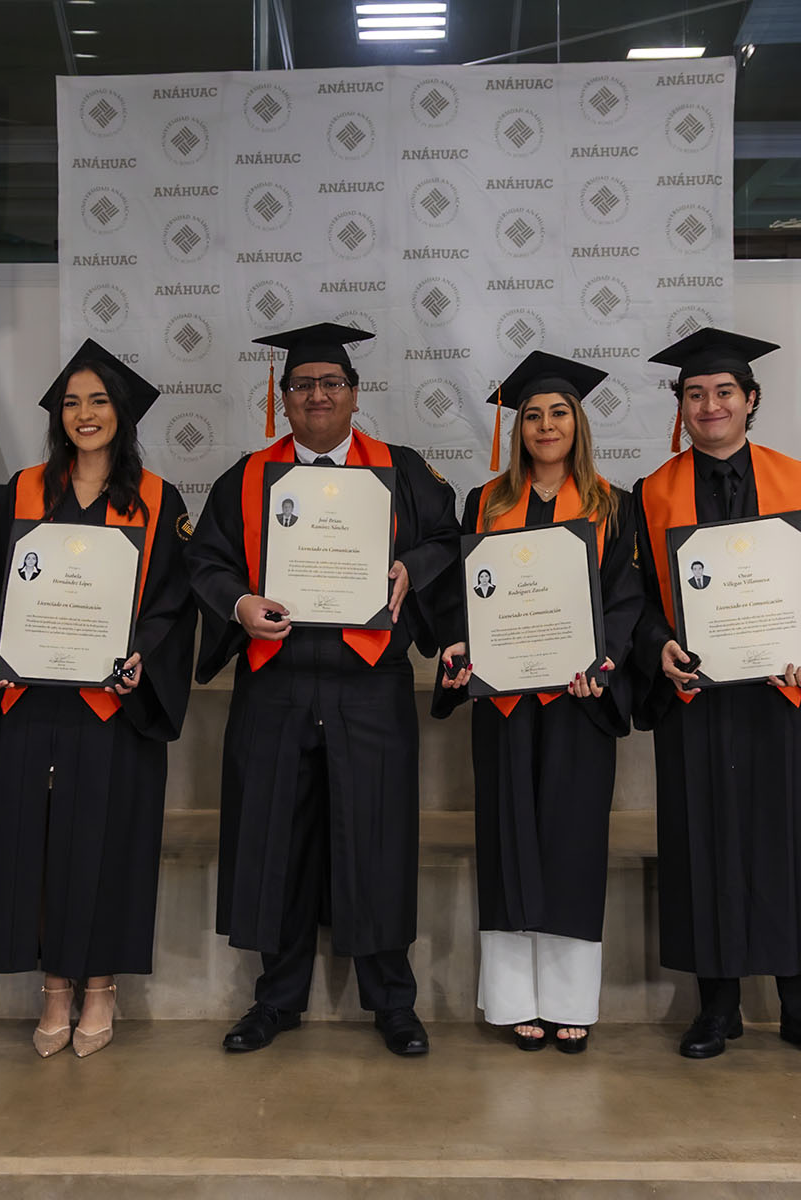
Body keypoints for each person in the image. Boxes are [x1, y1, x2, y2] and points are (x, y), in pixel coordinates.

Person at [185, 321, 461, 1058]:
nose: (317, 395)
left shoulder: (401, 470)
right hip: (275, 683)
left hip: (368, 684)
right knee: (276, 836)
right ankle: (276, 1000)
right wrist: (239, 604)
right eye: (303, 385)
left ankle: (392, 1002)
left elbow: (447, 540)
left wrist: (411, 569)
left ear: (355, 394)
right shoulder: (248, 476)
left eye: (331, 383)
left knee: (377, 839)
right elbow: (205, 560)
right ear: (283, 398)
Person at [630, 327, 801, 1069]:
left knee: (789, 843)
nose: (710, 405)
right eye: (695, 394)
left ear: (751, 399)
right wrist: (656, 647)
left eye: (724, 392)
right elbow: (633, 599)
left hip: (778, 698)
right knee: (702, 844)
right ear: (681, 405)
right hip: (697, 699)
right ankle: (717, 1007)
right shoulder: (650, 494)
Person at [0, 340, 195, 1058]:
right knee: (36, 843)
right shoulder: (24, 491)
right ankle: (53, 987)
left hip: (112, 706)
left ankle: (99, 986)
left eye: (98, 401)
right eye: (71, 402)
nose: (84, 414)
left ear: (121, 413)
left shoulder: (158, 499)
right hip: (33, 702)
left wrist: (141, 657)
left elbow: (173, 604)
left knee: (109, 843)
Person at [435, 351, 642, 1054]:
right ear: (517, 428)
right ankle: (514, 999)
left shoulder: (615, 505)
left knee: (572, 842)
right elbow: (465, 593)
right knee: (509, 840)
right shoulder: (485, 503)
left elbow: (625, 599)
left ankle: (568, 1001)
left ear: (578, 423)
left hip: (578, 699)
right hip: (506, 703)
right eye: (531, 415)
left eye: (558, 413)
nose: (545, 426)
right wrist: (462, 645)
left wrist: (603, 660)